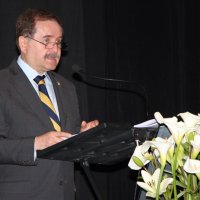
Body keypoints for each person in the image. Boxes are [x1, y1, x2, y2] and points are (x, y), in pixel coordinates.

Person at [0, 8, 99, 200]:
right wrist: (35, 144)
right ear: (23, 43)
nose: (55, 50)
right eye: (46, 41)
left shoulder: (67, 87)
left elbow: (64, 142)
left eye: (59, 43)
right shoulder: (3, 84)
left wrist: (82, 137)